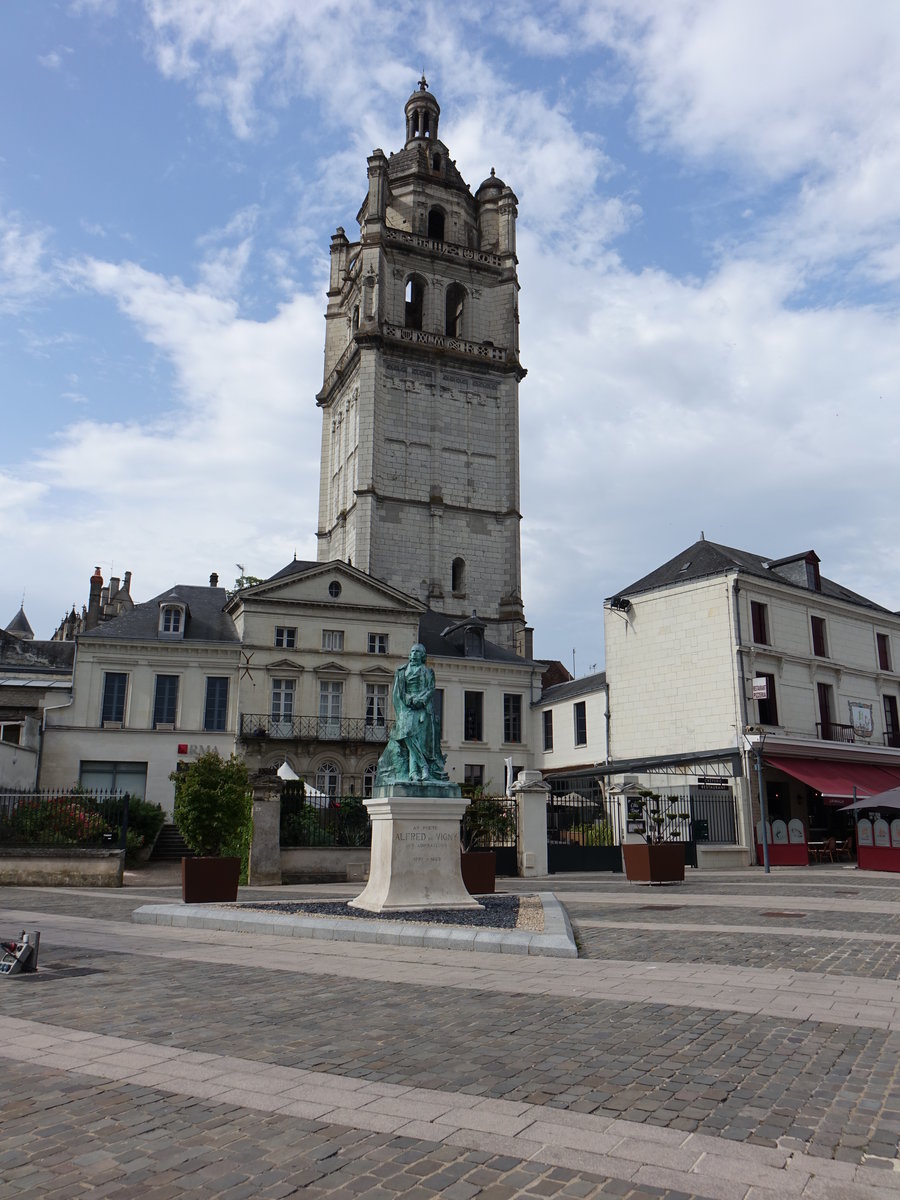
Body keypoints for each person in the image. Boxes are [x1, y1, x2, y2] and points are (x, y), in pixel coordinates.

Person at [375, 644, 449, 786]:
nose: (414, 654)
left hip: (423, 708)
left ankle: (413, 773)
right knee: (407, 733)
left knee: (419, 740)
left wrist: (421, 700)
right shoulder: (402, 671)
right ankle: (423, 766)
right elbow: (398, 692)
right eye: (412, 651)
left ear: (423, 655)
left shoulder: (428, 671)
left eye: (417, 652)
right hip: (407, 708)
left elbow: (430, 689)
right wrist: (409, 700)